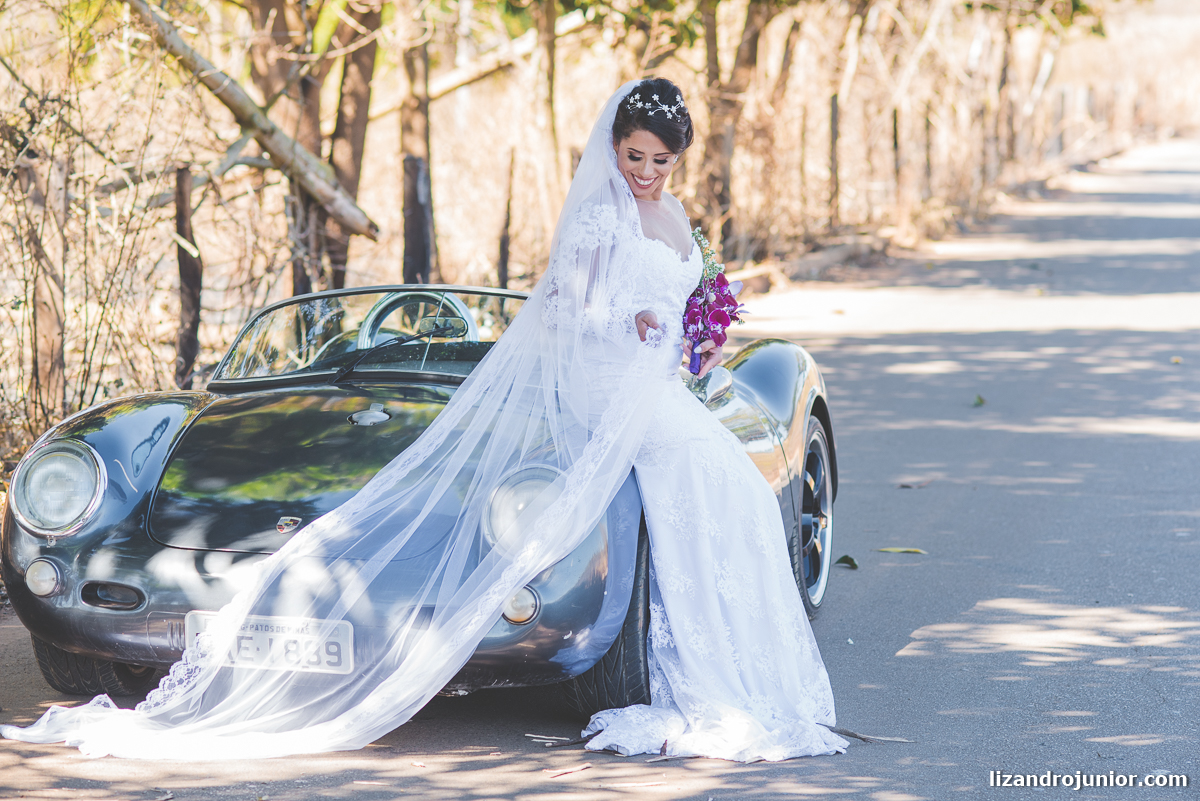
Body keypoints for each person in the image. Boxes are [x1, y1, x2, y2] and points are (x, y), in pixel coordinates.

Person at [0, 79, 845, 761]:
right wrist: (631, 324)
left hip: (651, 380)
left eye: (661, 158)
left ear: (679, 158)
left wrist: (688, 330)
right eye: (634, 155)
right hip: (606, 374)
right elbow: (575, 309)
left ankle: (722, 663)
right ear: (613, 147)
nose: (646, 170)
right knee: (712, 475)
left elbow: (679, 291)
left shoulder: (671, 213)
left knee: (721, 480)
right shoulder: (596, 215)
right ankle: (713, 666)